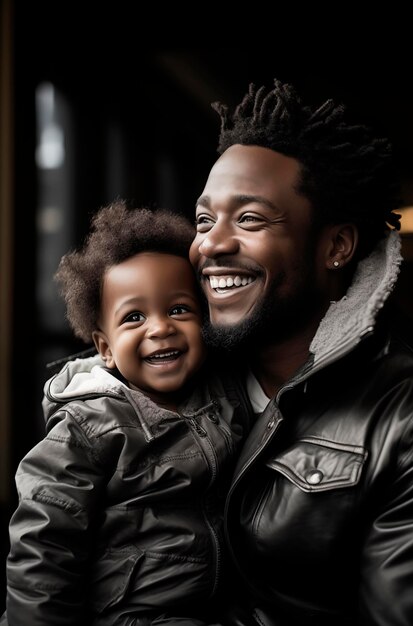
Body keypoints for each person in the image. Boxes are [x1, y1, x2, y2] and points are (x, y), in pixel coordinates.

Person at [189, 79, 413, 626]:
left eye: (249, 219)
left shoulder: (402, 417)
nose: (212, 244)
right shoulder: (164, 377)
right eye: (203, 219)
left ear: (335, 247)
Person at [2, 200, 251, 626]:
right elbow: (44, 543)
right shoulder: (88, 426)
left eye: (178, 309)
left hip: (220, 605)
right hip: (128, 614)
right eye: (134, 317)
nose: (160, 328)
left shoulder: (224, 393)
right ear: (105, 348)